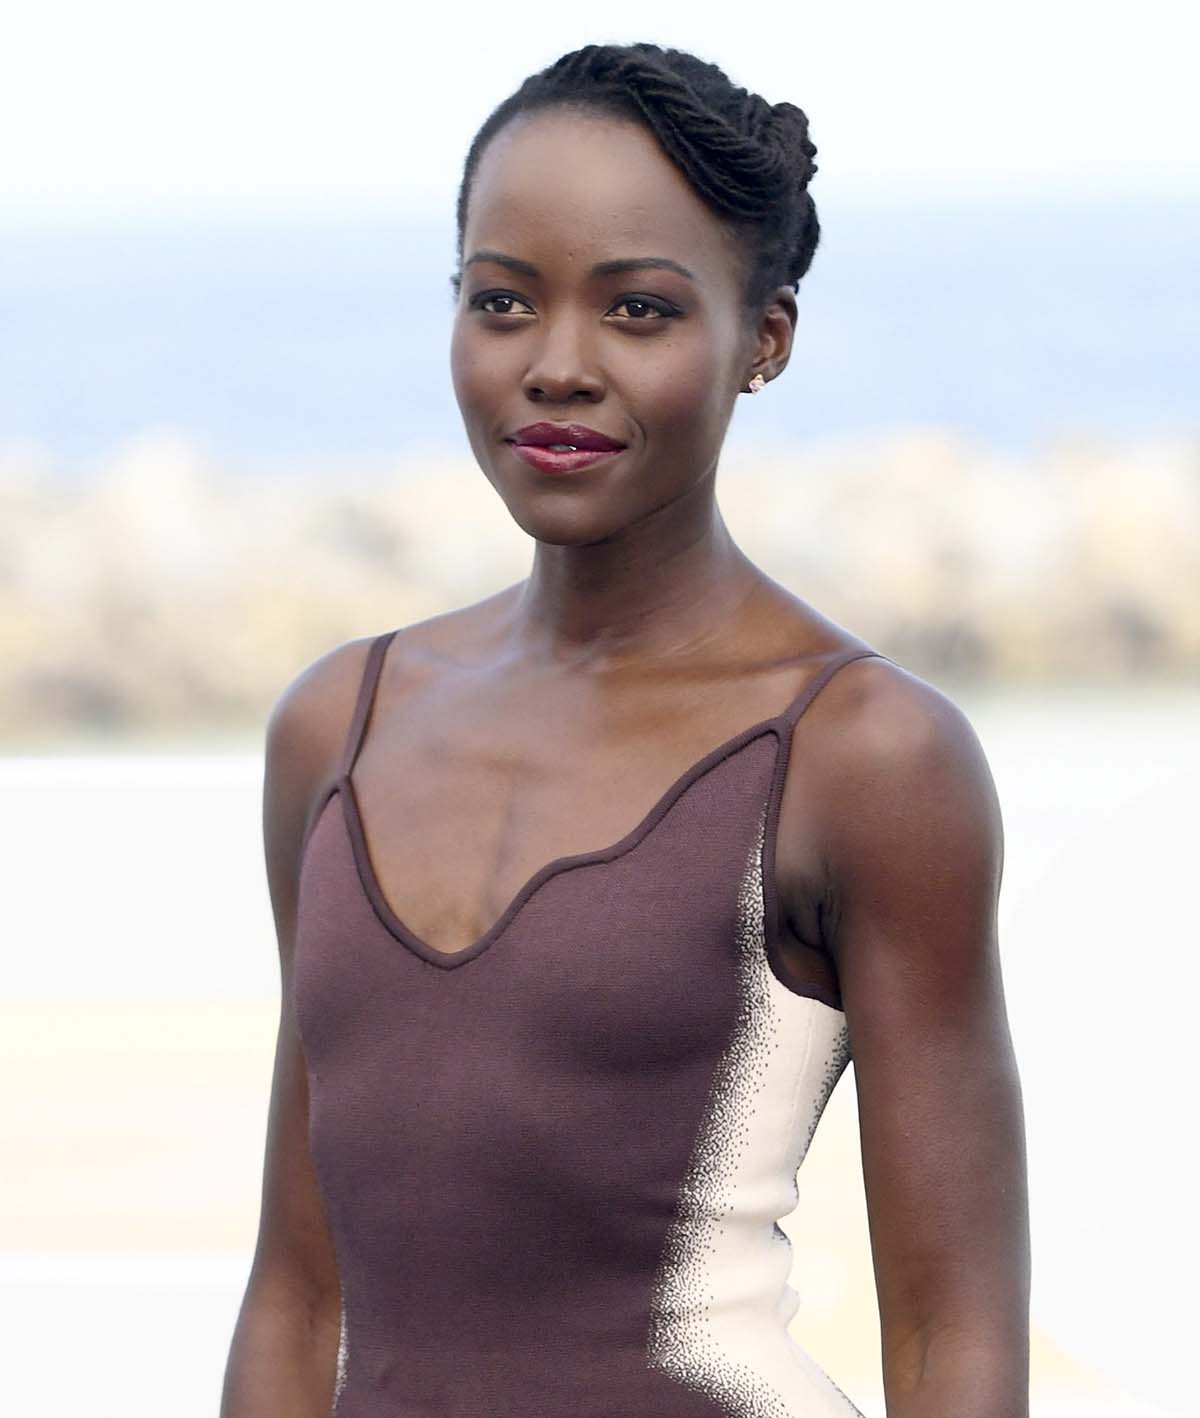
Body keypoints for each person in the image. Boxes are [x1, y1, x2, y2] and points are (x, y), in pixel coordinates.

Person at [221, 41, 1030, 1418]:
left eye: (641, 311)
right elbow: (302, 1295)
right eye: (503, 302)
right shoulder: (335, 736)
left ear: (762, 340)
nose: (558, 367)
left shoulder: (864, 756)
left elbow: (955, 1335)